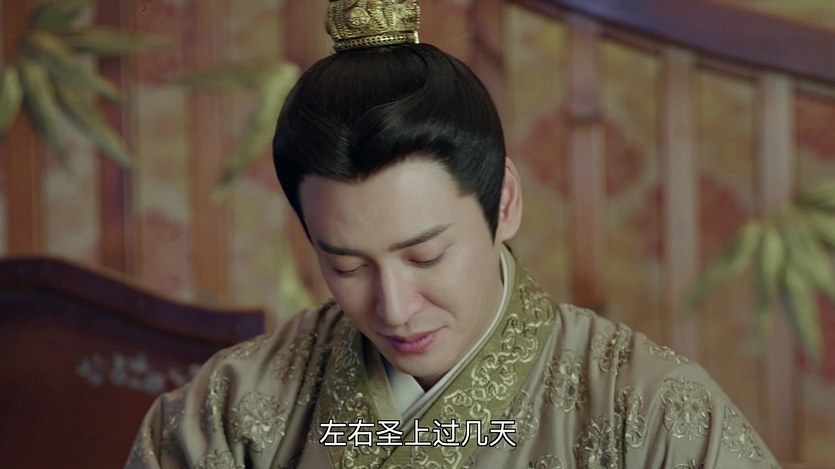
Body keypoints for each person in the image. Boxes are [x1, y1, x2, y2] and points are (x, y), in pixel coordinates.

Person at [126, 0, 780, 467]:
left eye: (426, 255)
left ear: (505, 203)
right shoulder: (231, 410)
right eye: (348, 266)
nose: (394, 307)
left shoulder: (652, 410)